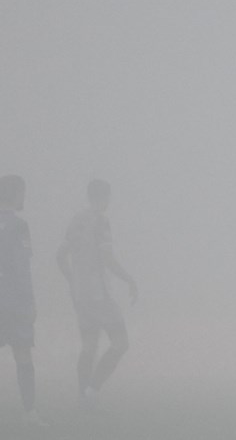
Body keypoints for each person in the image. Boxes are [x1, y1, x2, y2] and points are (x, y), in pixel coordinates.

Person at [57, 179, 138, 409]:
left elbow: (60, 256)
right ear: (105, 197)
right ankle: (92, 390)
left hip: (80, 295)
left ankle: (83, 398)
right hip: (99, 294)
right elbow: (107, 258)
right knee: (121, 343)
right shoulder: (101, 221)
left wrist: (73, 280)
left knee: (89, 346)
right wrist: (129, 279)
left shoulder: (75, 221)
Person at [0, 175, 46, 426]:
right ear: (17, 193)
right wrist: (30, 303)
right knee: (22, 354)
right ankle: (30, 413)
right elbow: (21, 267)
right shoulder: (19, 226)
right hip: (13, 301)